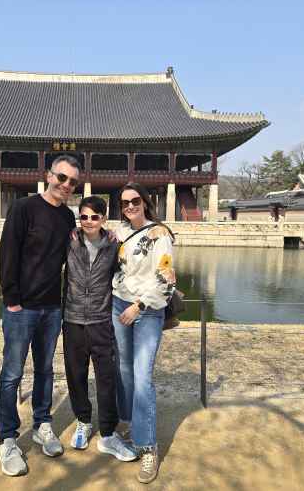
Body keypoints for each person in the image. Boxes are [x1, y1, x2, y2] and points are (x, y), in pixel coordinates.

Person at [0, 155, 80, 477]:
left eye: (72, 181)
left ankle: (42, 424)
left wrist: (109, 236)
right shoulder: (24, 208)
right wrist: (11, 299)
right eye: (62, 177)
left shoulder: (69, 217)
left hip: (51, 307)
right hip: (22, 307)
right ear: (49, 175)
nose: (66, 185)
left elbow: (78, 252)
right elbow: (7, 253)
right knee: (12, 374)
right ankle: (6, 438)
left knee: (45, 370)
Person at [62, 195, 137, 462]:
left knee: (106, 378)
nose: (89, 222)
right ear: (79, 219)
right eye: (84, 216)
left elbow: (131, 272)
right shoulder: (69, 241)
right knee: (76, 375)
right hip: (72, 320)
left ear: (104, 219)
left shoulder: (113, 245)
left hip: (101, 321)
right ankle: (83, 421)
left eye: (95, 217)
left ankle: (108, 433)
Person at [112, 182, 176, 484]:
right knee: (123, 368)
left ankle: (148, 445)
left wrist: (138, 306)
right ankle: (129, 422)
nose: (129, 207)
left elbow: (166, 277)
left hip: (146, 310)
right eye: (124, 203)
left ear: (145, 202)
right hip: (118, 304)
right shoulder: (121, 232)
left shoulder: (159, 234)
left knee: (142, 376)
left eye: (134, 201)